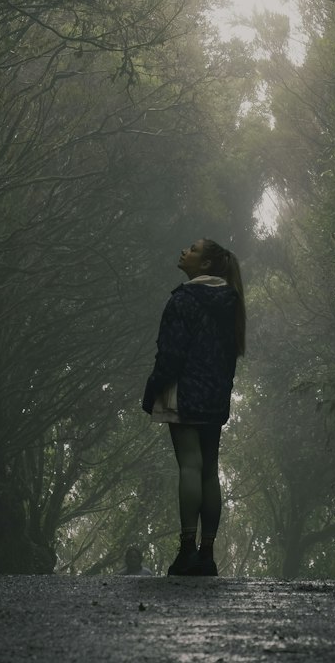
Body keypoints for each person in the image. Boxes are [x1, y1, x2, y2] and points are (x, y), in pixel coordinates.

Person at [141, 237, 246, 577]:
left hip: (184, 392)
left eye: (193, 249)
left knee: (189, 465)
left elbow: (171, 354)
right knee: (209, 469)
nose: (184, 250)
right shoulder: (231, 302)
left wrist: (153, 387)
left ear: (204, 265)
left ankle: (186, 550)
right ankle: (207, 553)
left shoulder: (183, 300)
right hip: (215, 394)